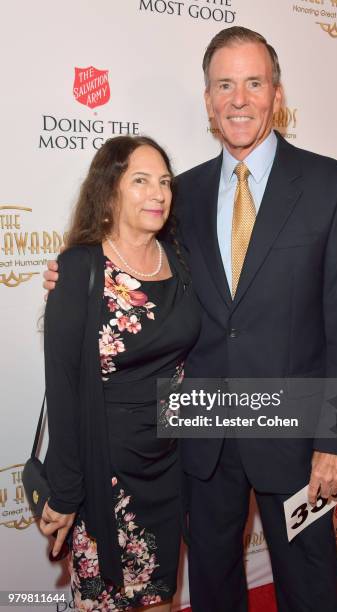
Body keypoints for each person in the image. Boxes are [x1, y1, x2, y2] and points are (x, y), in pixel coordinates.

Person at [44, 26, 337, 612]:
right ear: (207, 99)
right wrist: (78, 279)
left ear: (275, 92)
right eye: (224, 85)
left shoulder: (334, 186)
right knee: (214, 584)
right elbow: (137, 269)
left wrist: (336, 440)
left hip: (296, 438)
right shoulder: (180, 194)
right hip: (201, 437)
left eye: (253, 83)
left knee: (313, 581)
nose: (238, 99)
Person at [39, 135, 201, 611]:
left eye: (165, 182)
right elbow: (63, 390)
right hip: (103, 471)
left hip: (169, 465)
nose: (158, 193)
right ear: (110, 191)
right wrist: (67, 493)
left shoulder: (181, 260)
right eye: (141, 181)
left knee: (160, 599)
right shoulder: (79, 269)